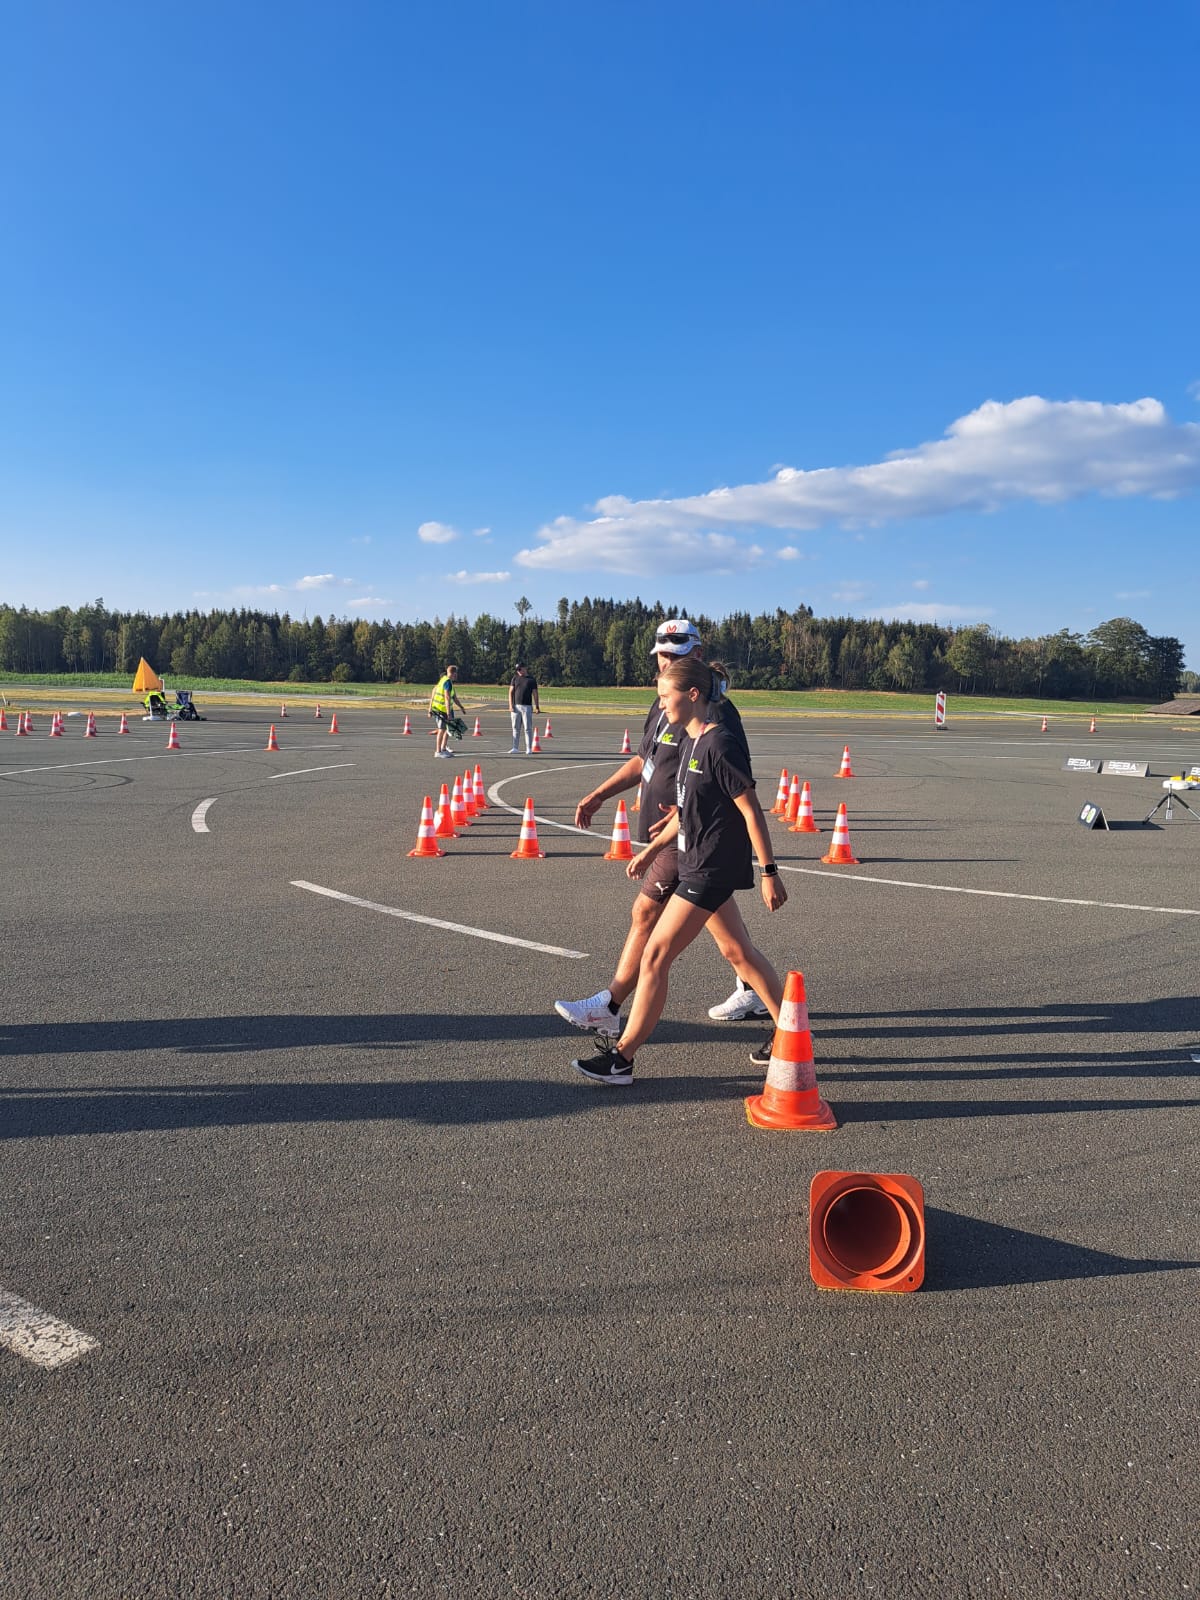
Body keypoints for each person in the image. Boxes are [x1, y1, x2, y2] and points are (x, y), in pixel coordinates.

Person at [569, 653, 787, 1084]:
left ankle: (622, 1058)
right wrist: (652, 850)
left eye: (666, 695)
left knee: (655, 955)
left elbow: (751, 811)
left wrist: (769, 871)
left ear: (692, 695)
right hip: (693, 859)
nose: (662, 704)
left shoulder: (719, 744)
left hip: (710, 867)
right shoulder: (688, 741)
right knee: (738, 952)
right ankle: (791, 1030)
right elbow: (684, 810)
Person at [429, 664, 466, 758]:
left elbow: (454, 697)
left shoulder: (447, 681)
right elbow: (447, 697)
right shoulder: (447, 682)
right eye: (456, 673)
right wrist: (448, 713)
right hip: (442, 710)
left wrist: (461, 707)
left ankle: (444, 749)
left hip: (445, 710)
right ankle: (438, 751)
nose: (457, 675)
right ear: (453, 673)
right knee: (441, 730)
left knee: (448, 729)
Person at [508, 663, 541, 755]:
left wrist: (537, 706)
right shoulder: (515, 678)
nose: (518, 671)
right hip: (516, 707)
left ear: (524, 668)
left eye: (520, 669)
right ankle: (515, 747)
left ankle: (529, 748)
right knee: (515, 728)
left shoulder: (531, 680)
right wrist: (510, 705)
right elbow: (510, 692)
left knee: (527, 728)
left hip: (527, 707)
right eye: (517, 670)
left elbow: (535, 694)